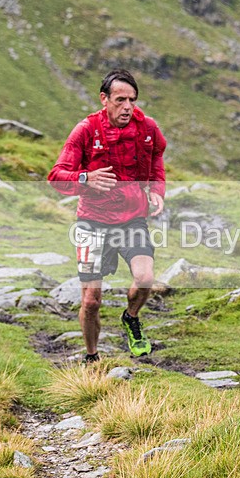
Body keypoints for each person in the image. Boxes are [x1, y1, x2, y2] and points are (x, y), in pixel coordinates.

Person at [48, 69, 167, 363]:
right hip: (93, 222)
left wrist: (156, 191)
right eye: (120, 100)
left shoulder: (148, 129)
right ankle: (92, 356)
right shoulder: (86, 130)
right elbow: (56, 176)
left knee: (145, 278)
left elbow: (157, 161)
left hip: (132, 219)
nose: (128, 107)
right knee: (91, 301)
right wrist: (85, 178)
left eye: (132, 100)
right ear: (104, 99)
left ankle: (131, 317)